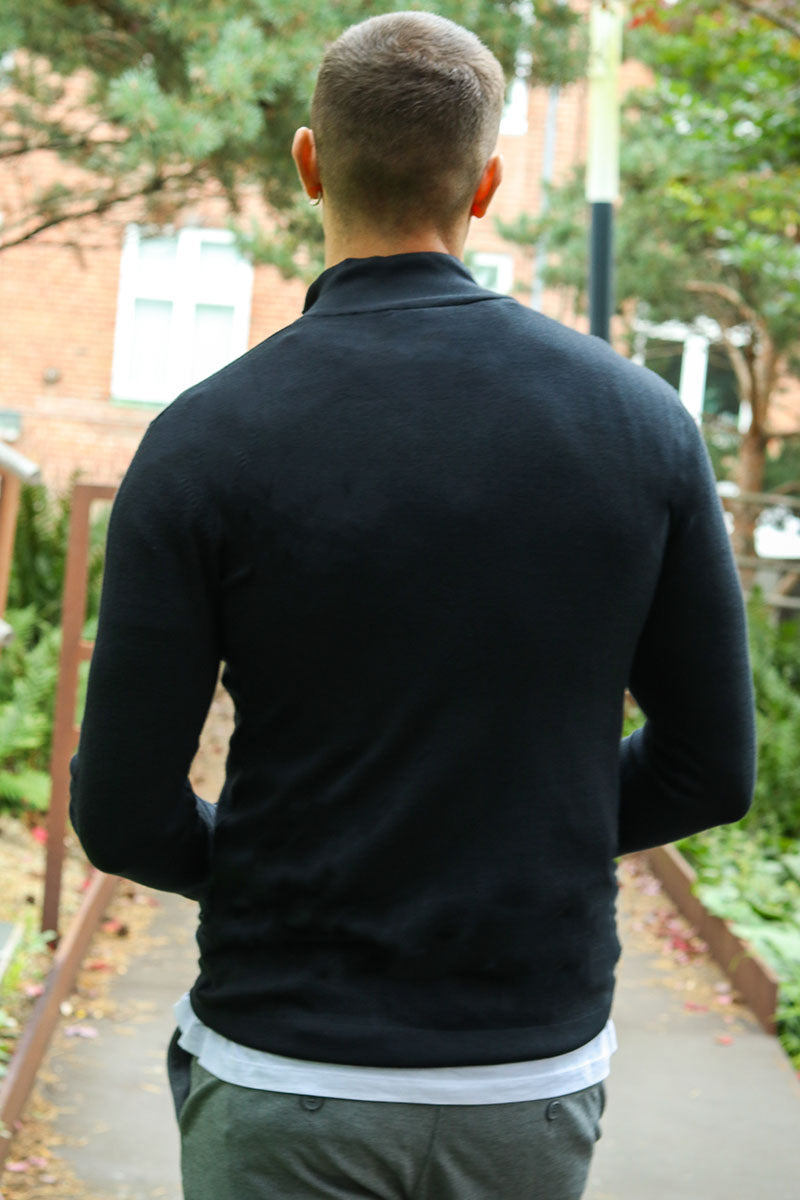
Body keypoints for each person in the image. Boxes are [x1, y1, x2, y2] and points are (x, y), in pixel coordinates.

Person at [70, 11, 756, 1199]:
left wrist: (275, 864)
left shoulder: (202, 440)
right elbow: (710, 770)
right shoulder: (641, 425)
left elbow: (123, 813)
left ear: (308, 163)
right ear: (484, 185)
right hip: (526, 1072)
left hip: (284, 1059)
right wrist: (519, 837)